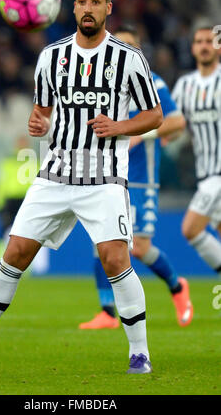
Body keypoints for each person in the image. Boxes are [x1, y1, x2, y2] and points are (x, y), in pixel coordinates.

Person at [0, 0, 163, 375]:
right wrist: (37, 123)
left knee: (115, 259)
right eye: (82, 0)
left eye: (97, 1)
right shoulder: (51, 57)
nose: (88, 7)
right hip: (55, 174)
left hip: (104, 177)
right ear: (73, 6)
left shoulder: (128, 59)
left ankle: (140, 353)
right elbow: (42, 112)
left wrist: (118, 126)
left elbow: (154, 115)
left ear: (108, 8)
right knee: (15, 253)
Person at [79, 25, 193, 331]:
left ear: (139, 50)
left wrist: (145, 133)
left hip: (140, 179)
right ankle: (106, 312)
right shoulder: (100, 85)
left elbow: (177, 122)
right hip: (105, 175)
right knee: (101, 244)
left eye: (130, 45)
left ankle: (176, 286)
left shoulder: (152, 83)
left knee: (138, 247)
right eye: (119, 44)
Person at [171, 26, 221, 277]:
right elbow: (173, 124)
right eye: (199, 41)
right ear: (192, 48)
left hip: (218, 175)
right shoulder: (185, 85)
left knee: (190, 228)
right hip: (205, 174)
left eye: (209, 41)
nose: (204, 46)